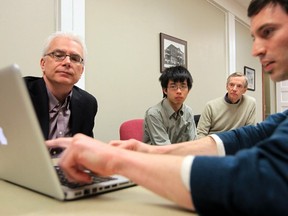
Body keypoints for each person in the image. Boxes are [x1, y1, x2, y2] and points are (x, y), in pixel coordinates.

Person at [46, 0, 288, 214]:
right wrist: (148, 152)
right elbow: (246, 137)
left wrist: (117, 159)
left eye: (268, 31)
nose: (256, 50)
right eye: (255, 37)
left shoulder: (187, 112)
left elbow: (260, 181)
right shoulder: (157, 112)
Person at [25, 31, 98, 156]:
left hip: (67, 171)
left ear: (81, 71)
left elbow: (84, 153)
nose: (67, 62)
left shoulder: (88, 103)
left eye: (75, 58)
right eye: (59, 55)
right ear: (43, 63)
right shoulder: (21, 93)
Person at [143, 65, 197, 145]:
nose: (179, 91)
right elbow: (164, 149)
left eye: (183, 86)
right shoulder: (154, 114)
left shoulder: (188, 111)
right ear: (165, 90)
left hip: (180, 155)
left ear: (188, 90)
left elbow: (193, 143)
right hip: (157, 156)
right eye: (173, 86)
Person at [197, 72, 256, 138]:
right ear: (227, 87)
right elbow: (200, 134)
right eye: (231, 85)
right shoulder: (210, 106)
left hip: (237, 144)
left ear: (244, 90)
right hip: (214, 143)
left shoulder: (250, 103)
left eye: (239, 86)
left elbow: (249, 131)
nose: (234, 89)